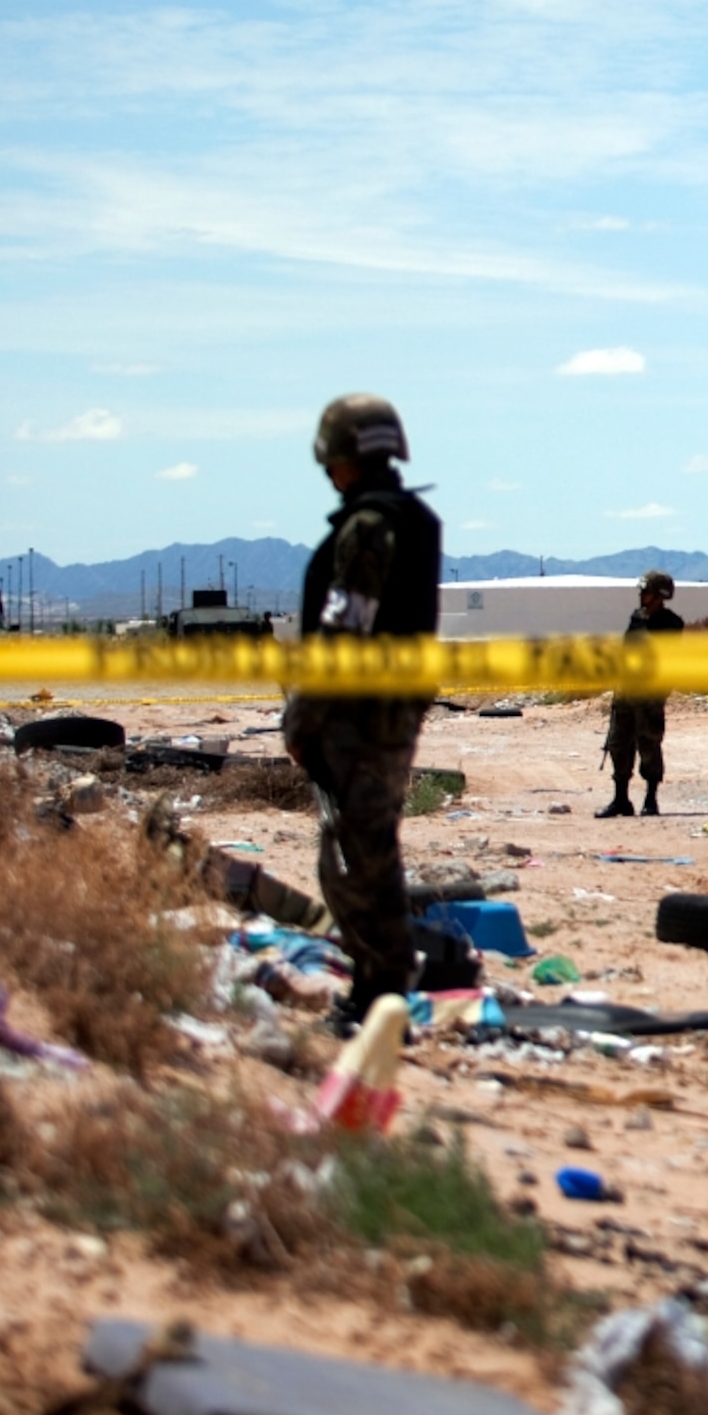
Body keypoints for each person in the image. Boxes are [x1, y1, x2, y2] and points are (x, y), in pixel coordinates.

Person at [282, 394, 441, 1033]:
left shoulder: (369, 526)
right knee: (365, 847)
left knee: (353, 856)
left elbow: (346, 631)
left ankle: (380, 992)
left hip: (358, 718)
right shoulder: (408, 519)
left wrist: (303, 717)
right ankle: (380, 988)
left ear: (342, 456)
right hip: (387, 713)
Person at [600, 569, 687, 818]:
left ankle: (650, 799)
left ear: (660, 595)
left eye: (646, 591)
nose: (642, 595)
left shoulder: (671, 624)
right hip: (626, 691)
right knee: (619, 744)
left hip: (649, 694)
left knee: (649, 744)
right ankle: (620, 799)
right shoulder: (636, 619)